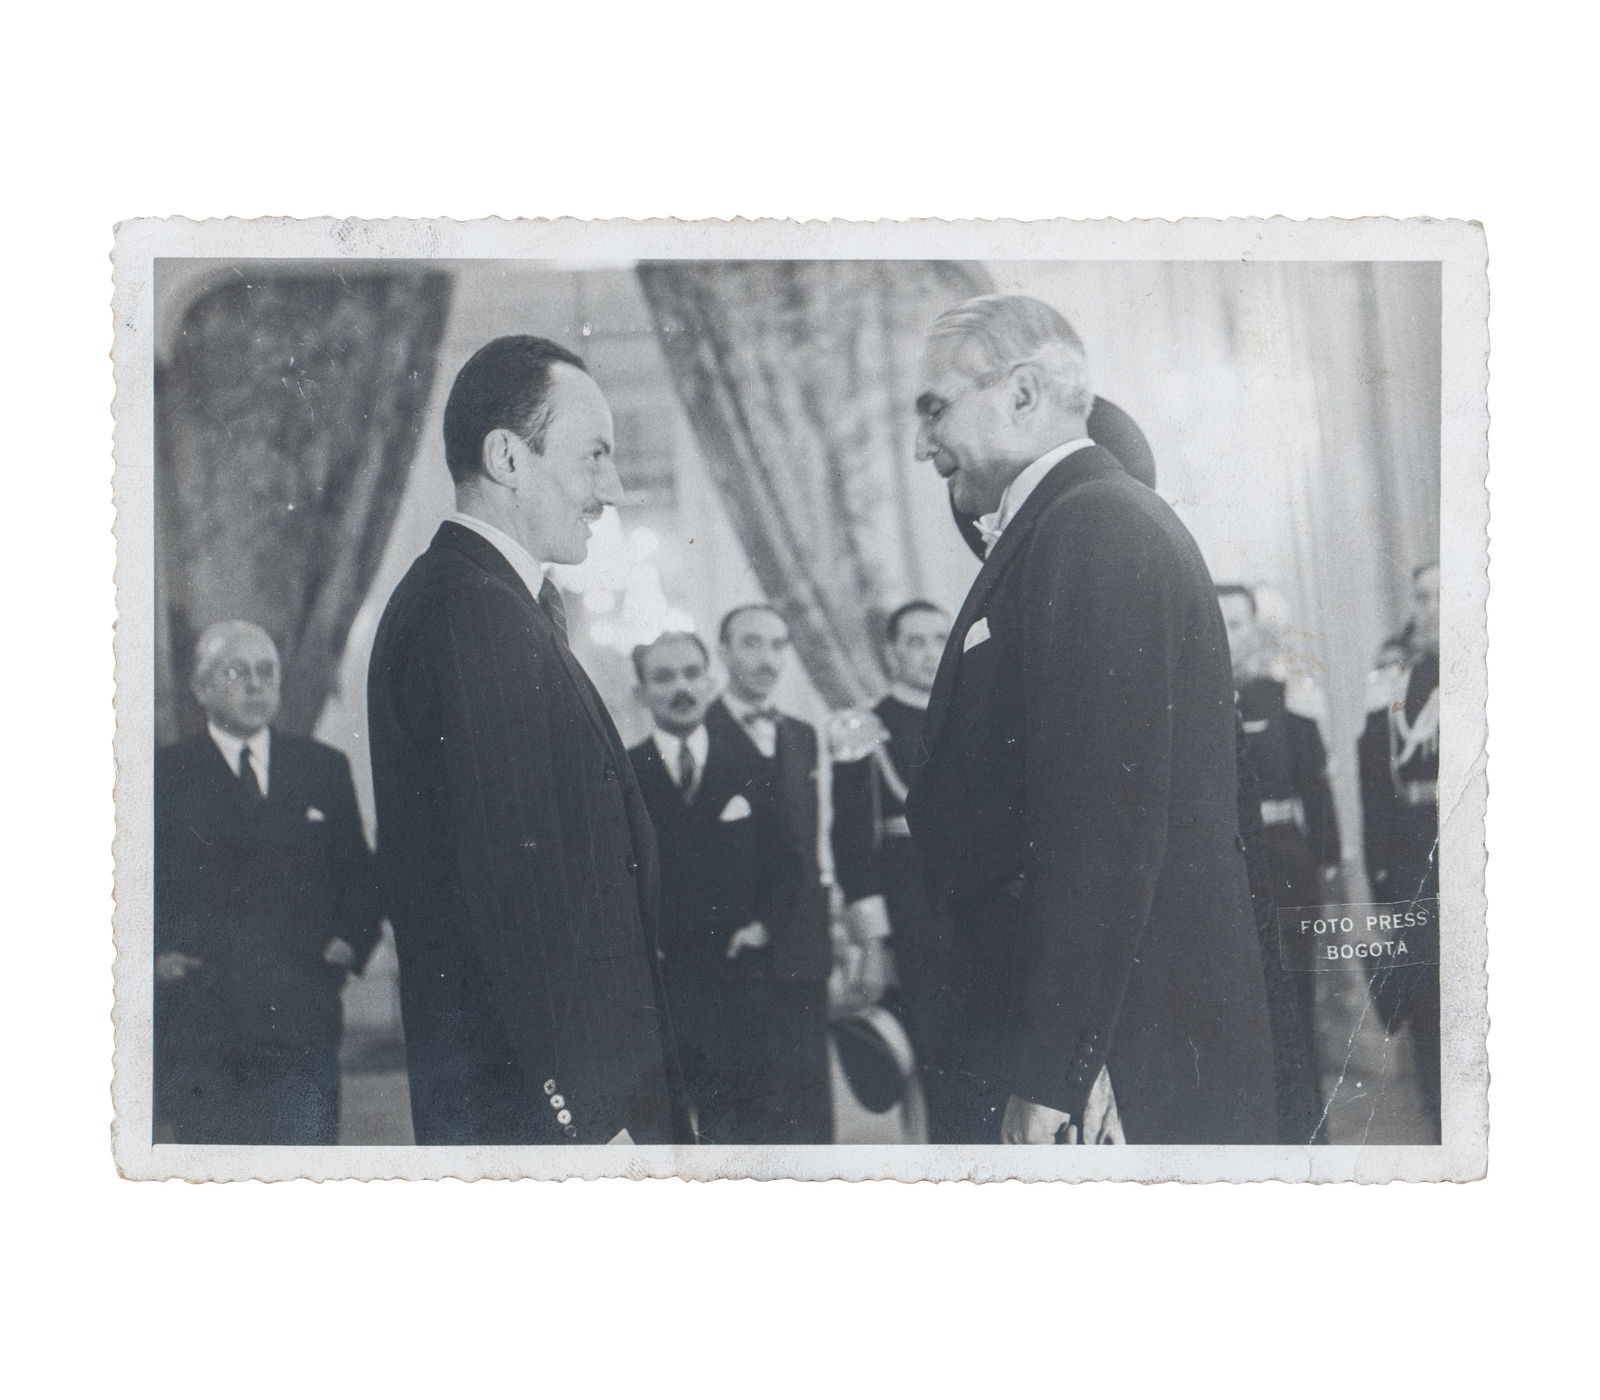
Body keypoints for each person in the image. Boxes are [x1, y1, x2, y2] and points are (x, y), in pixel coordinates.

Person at [904, 293, 1276, 1145]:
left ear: (1022, 393)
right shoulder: (1073, 524)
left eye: (934, 409)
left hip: (1121, 1060)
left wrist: (1053, 1073)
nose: (922, 444)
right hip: (1107, 1040)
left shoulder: (1094, 526)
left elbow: (1101, 829)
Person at [367, 335, 687, 1146]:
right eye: (594, 456)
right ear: (508, 458)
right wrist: (588, 1117)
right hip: (558, 1125)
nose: (613, 489)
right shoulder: (473, 612)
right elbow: (514, 896)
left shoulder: (491, 600)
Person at [154, 620, 381, 1144]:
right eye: (237, 673)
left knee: (303, 1165)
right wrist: (155, 955)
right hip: (203, 1024)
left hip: (301, 1018)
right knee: (214, 1172)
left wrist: (351, 942)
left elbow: (359, 874)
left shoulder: (321, 767)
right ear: (201, 687)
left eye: (266, 672)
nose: (256, 686)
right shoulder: (165, 775)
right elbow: (135, 880)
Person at [626, 631, 804, 1143]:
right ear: (642, 693)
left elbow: (788, 865)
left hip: (739, 982)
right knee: (668, 1136)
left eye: (691, 674)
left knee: (744, 1131)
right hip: (659, 988)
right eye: (663, 678)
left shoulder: (750, 765)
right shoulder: (624, 773)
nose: (681, 688)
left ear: (709, 681)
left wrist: (763, 928)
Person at [702, 603, 838, 1141]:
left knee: (808, 1115)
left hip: (801, 951)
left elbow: (807, 845)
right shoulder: (698, 733)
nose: (768, 658)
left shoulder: (802, 735)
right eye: (752, 643)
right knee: (742, 1116)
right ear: (724, 652)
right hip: (733, 957)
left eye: (779, 645)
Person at [830, 601, 964, 1139]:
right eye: (915, 642)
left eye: (939, 639)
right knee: (934, 1068)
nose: (930, 653)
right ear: (891, 652)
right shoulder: (865, 726)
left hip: (978, 917)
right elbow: (851, 843)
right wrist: (875, 944)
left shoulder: (969, 714)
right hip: (913, 923)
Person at [1358, 561, 1442, 1138]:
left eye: (1442, 595)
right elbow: (1373, 777)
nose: (1432, 608)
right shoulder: (1393, 679)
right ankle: (1442, 1121)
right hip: (1416, 850)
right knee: (1429, 996)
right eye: (1421, 597)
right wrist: (1381, 874)